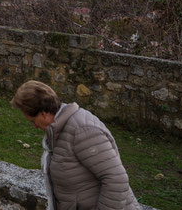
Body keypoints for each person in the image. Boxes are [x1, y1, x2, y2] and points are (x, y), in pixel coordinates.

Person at [11, 80, 139, 210]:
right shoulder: (60, 130)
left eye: (33, 121)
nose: (35, 126)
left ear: (44, 113)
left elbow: (116, 180)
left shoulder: (82, 130)